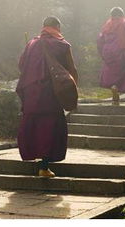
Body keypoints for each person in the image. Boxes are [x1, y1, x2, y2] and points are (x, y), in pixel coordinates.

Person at [16, 16, 78, 178]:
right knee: (49, 126)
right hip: (50, 91)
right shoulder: (62, 44)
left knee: (32, 123)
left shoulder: (31, 44)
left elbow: (22, 65)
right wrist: (71, 91)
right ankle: (44, 166)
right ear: (57, 27)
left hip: (30, 90)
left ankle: (34, 159)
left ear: (43, 27)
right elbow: (71, 69)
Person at [97, 7, 125, 105]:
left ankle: (114, 88)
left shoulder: (106, 25)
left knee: (111, 72)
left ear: (111, 15)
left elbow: (100, 39)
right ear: (122, 14)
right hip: (120, 49)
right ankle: (119, 88)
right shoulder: (124, 22)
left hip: (107, 51)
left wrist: (102, 52)